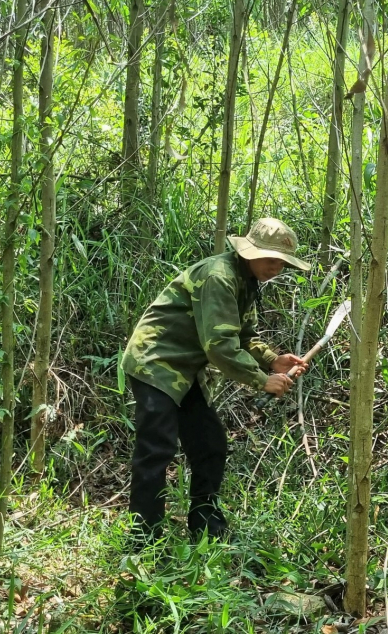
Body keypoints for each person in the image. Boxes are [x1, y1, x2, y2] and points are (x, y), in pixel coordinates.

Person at [122, 217, 312, 545]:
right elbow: (220, 346)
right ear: (250, 253)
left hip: (184, 370)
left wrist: (272, 360)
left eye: (282, 262)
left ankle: (207, 529)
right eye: (271, 259)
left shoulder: (246, 281)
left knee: (210, 444)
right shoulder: (219, 276)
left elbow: (242, 335)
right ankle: (144, 539)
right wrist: (262, 379)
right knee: (157, 448)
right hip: (155, 361)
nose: (277, 267)